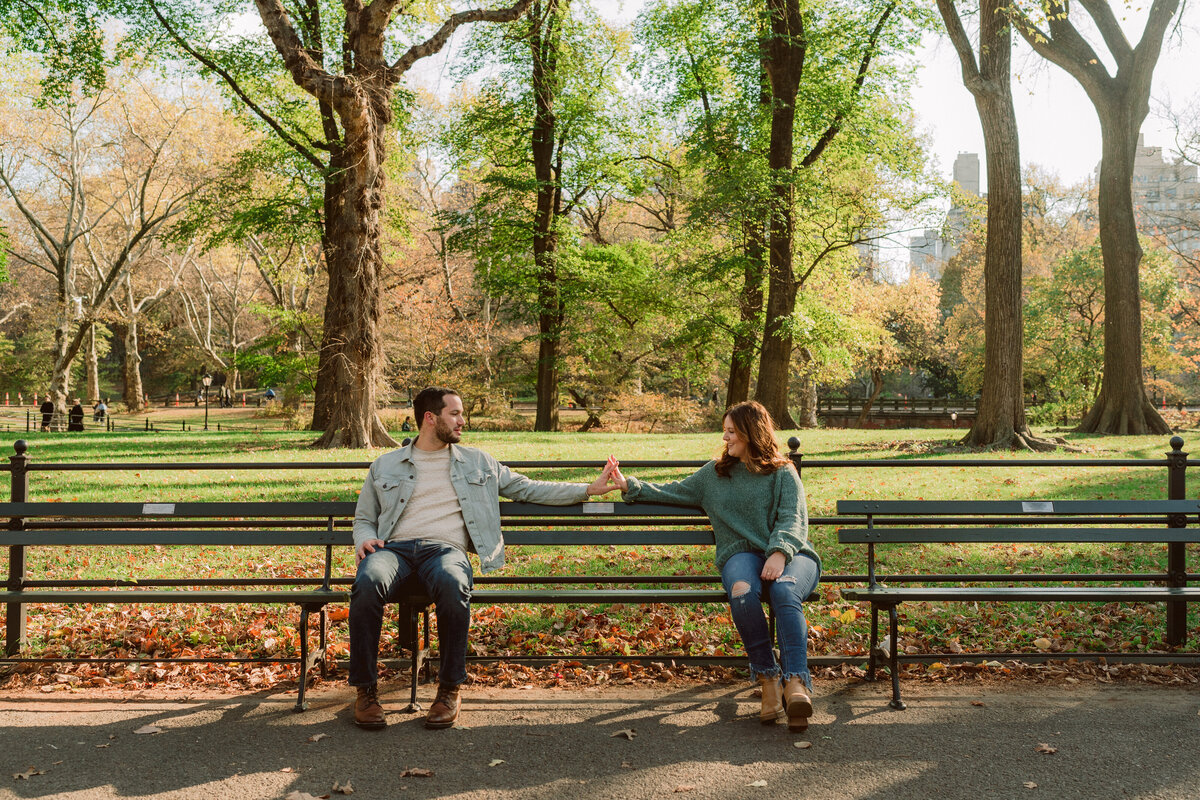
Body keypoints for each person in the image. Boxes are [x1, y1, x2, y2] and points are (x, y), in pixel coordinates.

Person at [349, 386, 619, 730]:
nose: (463, 421)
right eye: (455, 414)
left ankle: (449, 689)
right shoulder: (386, 464)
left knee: (452, 583)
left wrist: (587, 490)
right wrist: (364, 538)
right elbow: (364, 518)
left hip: (444, 551)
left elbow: (529, 488)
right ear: (430, 419)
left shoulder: (479, 463)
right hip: (394, 551)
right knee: (367, 582)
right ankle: (366, 691)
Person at [606, 400, 821, 733]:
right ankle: (768, 677)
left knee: (784, 590)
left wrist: (779, 552)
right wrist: (628, 485)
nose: (725, 438)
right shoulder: (714, 475)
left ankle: (796, 683)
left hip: (793, 554)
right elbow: (672, 491)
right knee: (742, 591)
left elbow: (793, 518)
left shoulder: (783, 472)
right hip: (741, 554)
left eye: (731, 431)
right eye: (725, 431)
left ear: (751, 432)